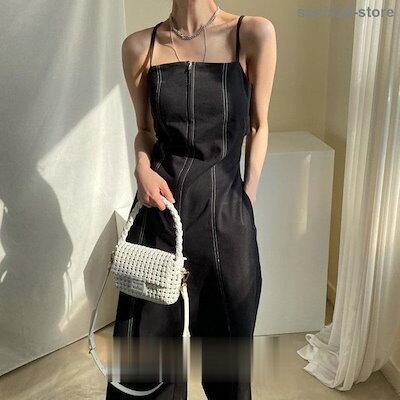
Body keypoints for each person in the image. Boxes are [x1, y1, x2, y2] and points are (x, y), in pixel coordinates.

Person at [106, 1, 276, 399]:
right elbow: (145, 131)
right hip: (160, 219)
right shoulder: (140, 46)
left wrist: (245, 200)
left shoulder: (252, 33)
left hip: (226, 222)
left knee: (228, 363)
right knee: (146, 362)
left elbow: (259, 125)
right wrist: (142, 168)